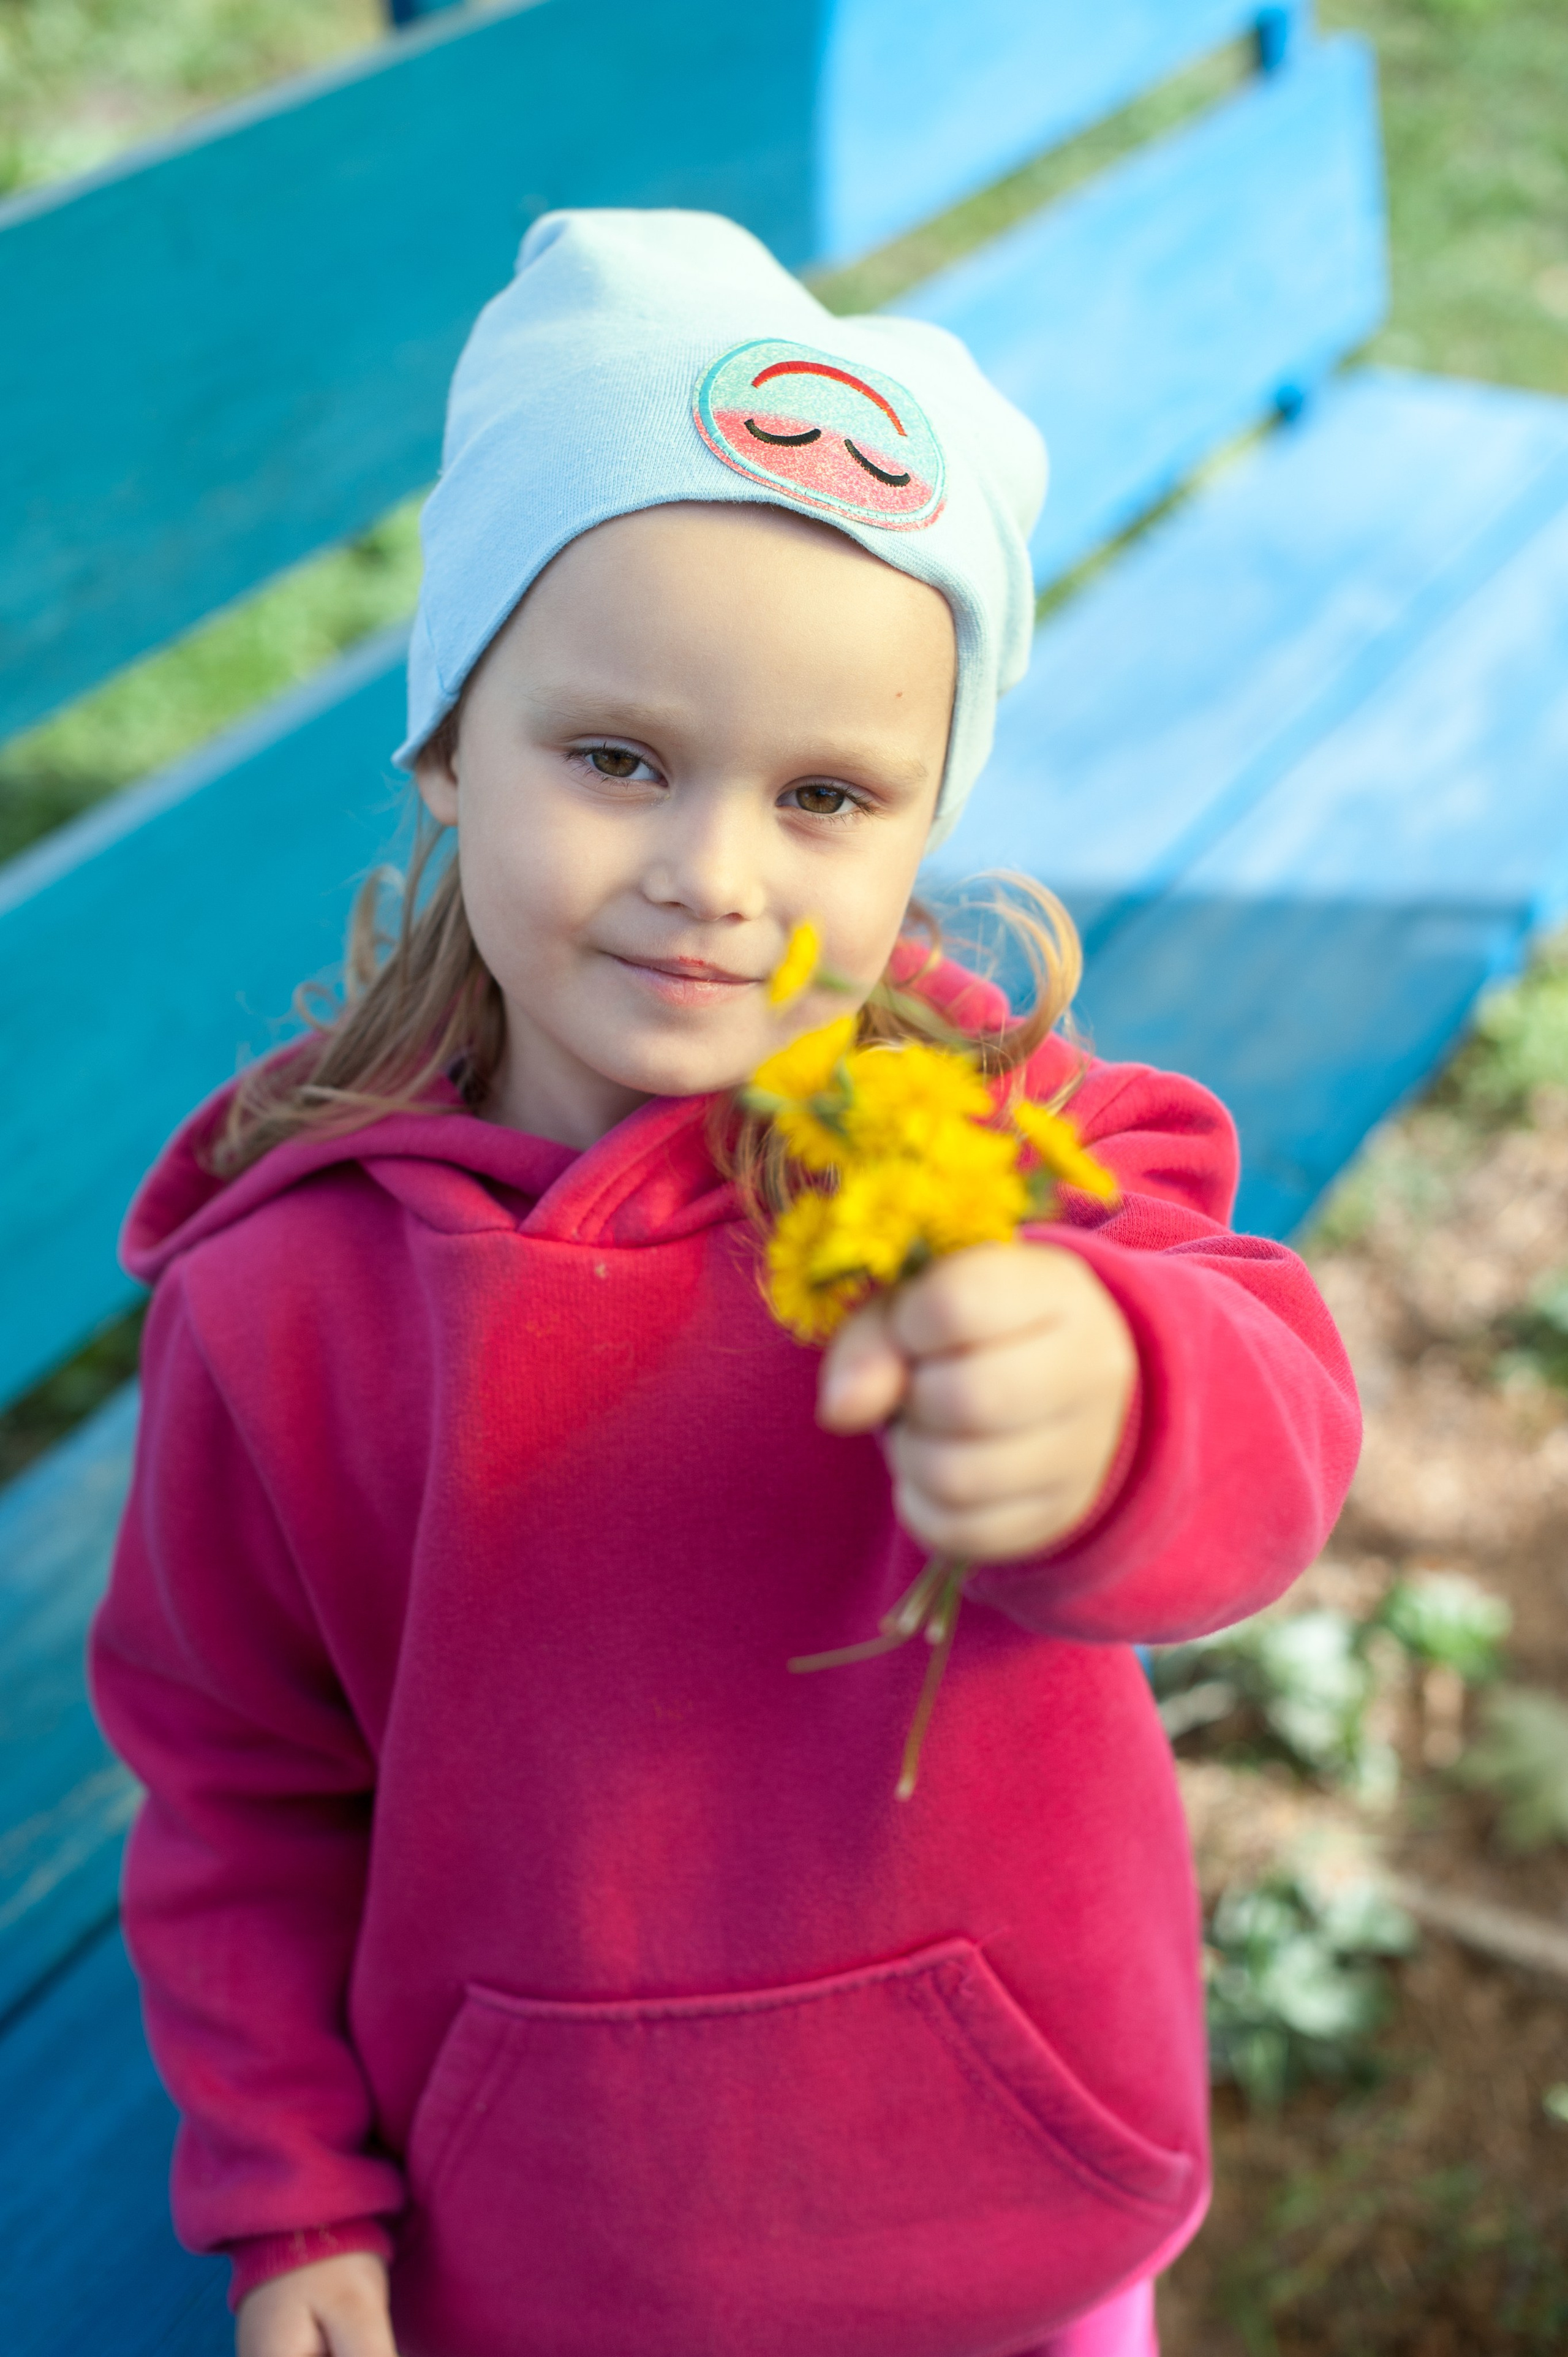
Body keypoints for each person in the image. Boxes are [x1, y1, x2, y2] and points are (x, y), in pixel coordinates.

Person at [90, 210, 1360, 2357]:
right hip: (548, 2251)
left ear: (920, 829)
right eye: (617, 760)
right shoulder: (286, 1299)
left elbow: (1276, 1435)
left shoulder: (1004, 1160)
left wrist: (1122, 1396)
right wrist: (290, 2194)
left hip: (1010, 2205)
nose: (713, 876)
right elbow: (242, 1791)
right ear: (448, 744)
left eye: (827, 796)